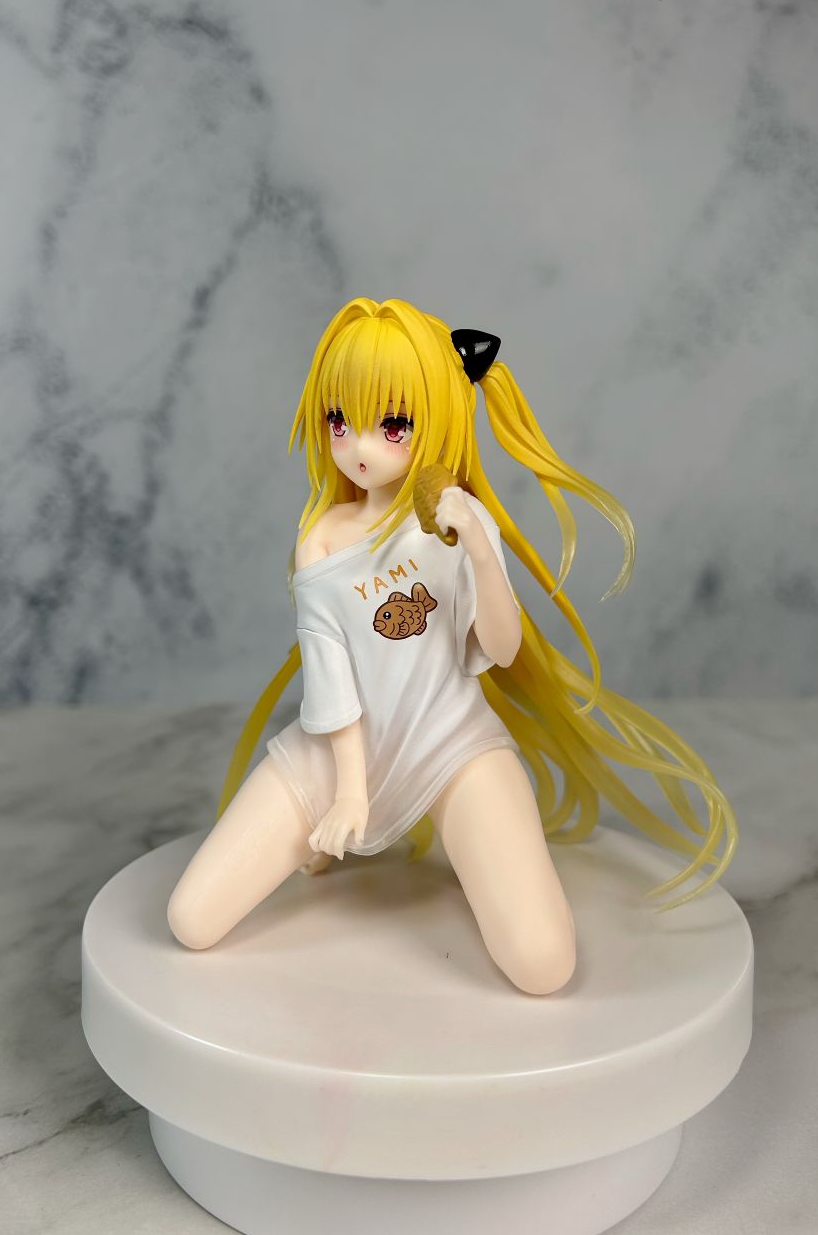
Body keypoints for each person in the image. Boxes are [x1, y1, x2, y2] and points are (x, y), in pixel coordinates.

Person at [167, 297, 737, 995]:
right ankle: (324, 838)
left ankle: (436, 844)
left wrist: (479, 548)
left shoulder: (457, 524)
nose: (359, 448)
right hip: (338, 752)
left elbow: (500, 647)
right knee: (191, 919)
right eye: (340, 421)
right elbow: (330, 675)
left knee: (541, 964)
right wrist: (350, 793)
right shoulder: (322, 537)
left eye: (391, 425)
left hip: (451, 744)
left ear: (436, 418)